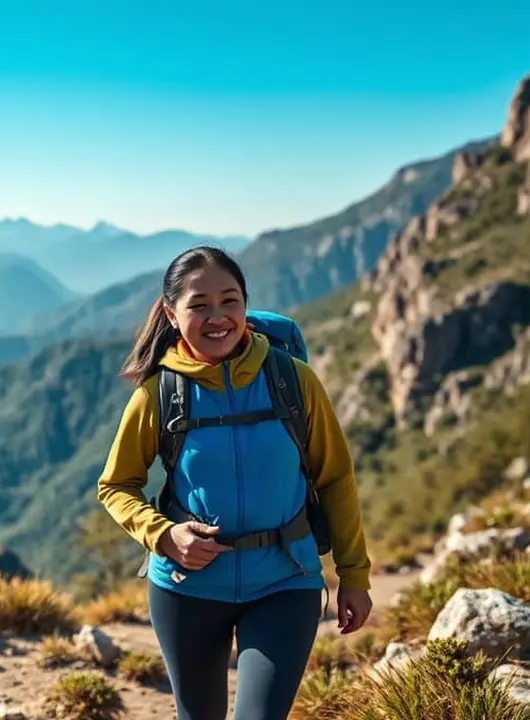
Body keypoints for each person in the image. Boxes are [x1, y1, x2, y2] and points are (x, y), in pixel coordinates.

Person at [95, 246, 372, 720]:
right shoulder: (160, 393)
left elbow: (335, 479)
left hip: (285, 580)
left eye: (230, 301)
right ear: (171, 313)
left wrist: (354, 575)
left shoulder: (293, 380)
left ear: (246, 303)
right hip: (188, 588)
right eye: (199, 305)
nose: (217, 317)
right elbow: (116, 485)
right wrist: (164, 535)